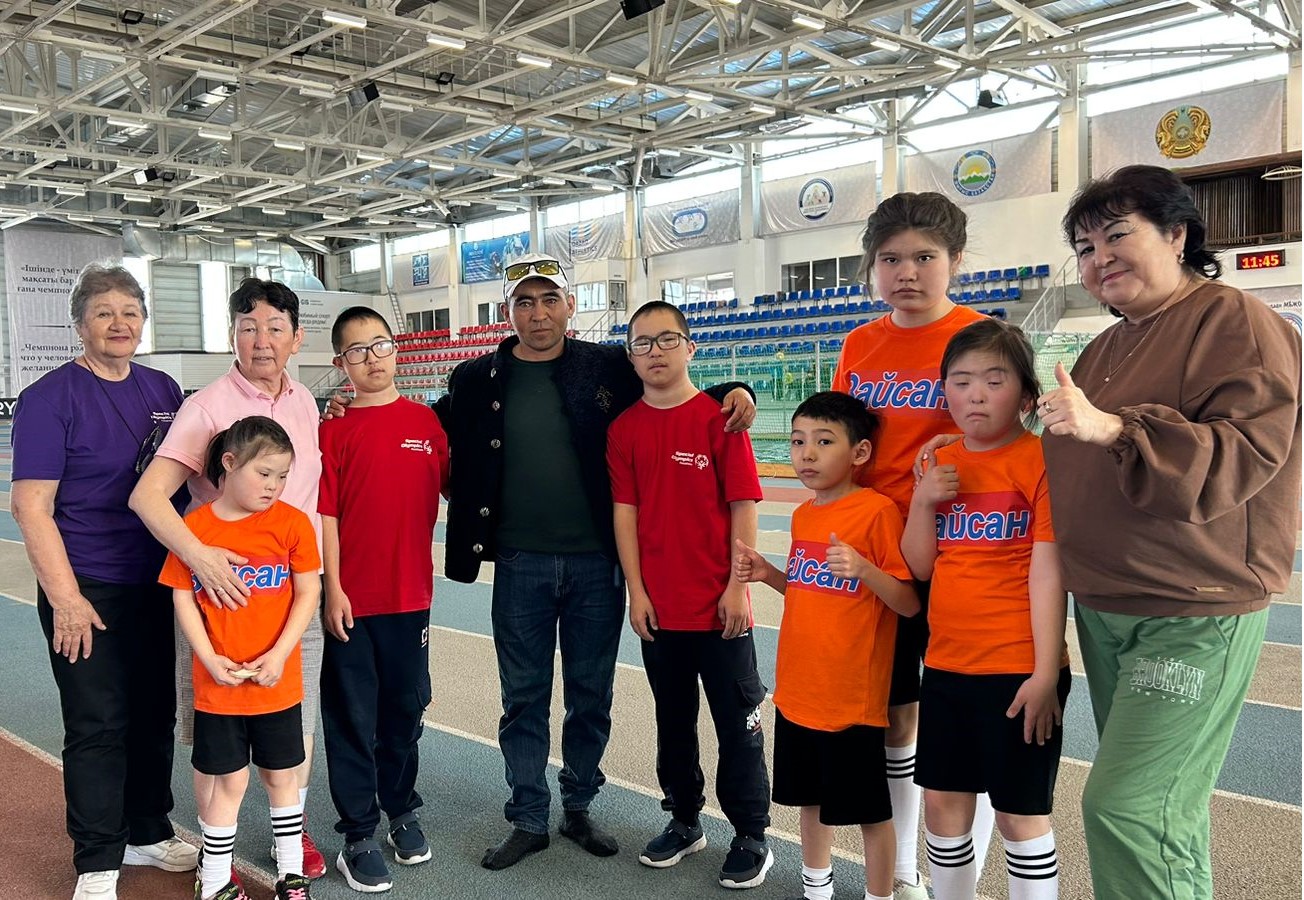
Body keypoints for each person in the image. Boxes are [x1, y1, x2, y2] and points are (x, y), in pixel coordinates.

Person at [416, 253, 753, 870]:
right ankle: (527, 816)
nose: (538, 313)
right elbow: (422, 424)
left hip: (598, 563)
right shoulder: (475, 379)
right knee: (523, 696)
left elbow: (670, 387)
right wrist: (341, 409)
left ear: (570, 306)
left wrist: (734, 393)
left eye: (550, 300)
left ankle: (577, 806)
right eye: (524, 302)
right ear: (508, 312)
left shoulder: (608, 365)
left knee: (590, 695)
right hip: (519, 563)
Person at [1035, 165, 1301, 900]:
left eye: (1118, 236)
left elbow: (1246, 450)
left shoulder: (1235, 322)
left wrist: (1115, 428)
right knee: (1164, 817)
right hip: (1106, 605)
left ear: (1178, 234)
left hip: (1191, 606)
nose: (1099, 259)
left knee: (1129, 809)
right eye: (1084, 248)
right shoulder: (1104, 347)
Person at [130, 278, 328, 880]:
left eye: (275, 328)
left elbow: (308, 497)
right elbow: (148, 496)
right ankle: (216, 854)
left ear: (297, 338)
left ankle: (291, 836)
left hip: (292, 596)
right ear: (232, 336)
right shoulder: (207, 407)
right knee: (216, 741)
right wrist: (202, 558)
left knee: (296, 723)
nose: (261, 341)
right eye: (248, 328)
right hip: (221, 603)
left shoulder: (305, 401)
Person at [11, 263, 197, 900]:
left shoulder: (163, 388)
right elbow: (31, 507)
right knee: (97, 723)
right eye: (103, 313)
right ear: (79, 325)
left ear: (143, 321)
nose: (120, 323)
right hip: (86, 584)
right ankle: (97, 859)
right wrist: (65, 599)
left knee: (155, 714)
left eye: (130, 312)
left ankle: (147, 828)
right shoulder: (49, 398)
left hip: (157, 582)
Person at [832, 193, 994, 897]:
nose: (906, 272)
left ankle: (963, 879)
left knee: (966, 717)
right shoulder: (859, 344)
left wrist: (960, 439)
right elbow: (838, 436)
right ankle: (901, 873)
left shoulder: (983, 337)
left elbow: (1014, 442)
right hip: (880, 555)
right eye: (891, 258)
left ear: (955, 260)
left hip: (965, 556)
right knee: (896, 715)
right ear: (873, 266)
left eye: (925, 256)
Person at [606, 301, 774, 890]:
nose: (655, 352)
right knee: (672, 721)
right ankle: (683, 819)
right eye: (642, 343)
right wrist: (637, 591)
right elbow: (626, 515)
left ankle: (751, 833)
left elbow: (743, 506)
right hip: (660, 610)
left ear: (690, 347)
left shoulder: (720, 421)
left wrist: (737, 586)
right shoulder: (624, 430)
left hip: (721, 608)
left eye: (667, 339)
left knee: (737, 723)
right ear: (630, 357)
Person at [901, 319, 1068, 900]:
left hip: (1018, 669)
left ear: (1025, 395)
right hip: (947, 665)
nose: (975, 394)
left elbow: (1049, 573)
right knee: (943, 805)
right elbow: (920, 566)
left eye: (994, 381)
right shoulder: (939, 463)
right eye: (961, 380)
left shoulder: (1041, 461)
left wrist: (1044, 674)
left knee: (1021, 814)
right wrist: (923, 502)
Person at [734, 391, 919, 900]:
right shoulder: (805, 516)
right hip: (798, 692)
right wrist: (770, 573)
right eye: (798, 442)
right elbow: (807, 591)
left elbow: (908, 603)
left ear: (860, 452)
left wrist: (865, 570)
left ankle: (880, 895)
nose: (807, 454)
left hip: (850, 699)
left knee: (870, 813)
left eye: (823, 441)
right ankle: (817, 890)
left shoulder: (877, 512)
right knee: (809, 802)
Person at [160, 417, 321, 900]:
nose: (273, 486)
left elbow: (308, 591)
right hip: (220, 689)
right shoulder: (195, 529)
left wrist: (280, 654)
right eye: (263, 473)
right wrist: (209, 659)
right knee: (227, 784)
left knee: (281, 779)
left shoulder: (292, 523)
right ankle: (214, 883)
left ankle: (290, 877)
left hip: (276, 685)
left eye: (282, 476)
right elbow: (182, 596)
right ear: (229, 463)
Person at [318, 307, 449, 893]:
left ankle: (401, 809)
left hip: (411, 597)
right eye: (356, 351)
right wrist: (334, 589)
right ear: (340, 363)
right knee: (352, 717)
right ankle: (358, 833)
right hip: (352, 602)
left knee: (405, 711)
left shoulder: (427, 423)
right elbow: (326, 515)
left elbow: (457, 486)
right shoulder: (333, 430)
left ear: (397, 349)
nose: (371, 359)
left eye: (380, 345)